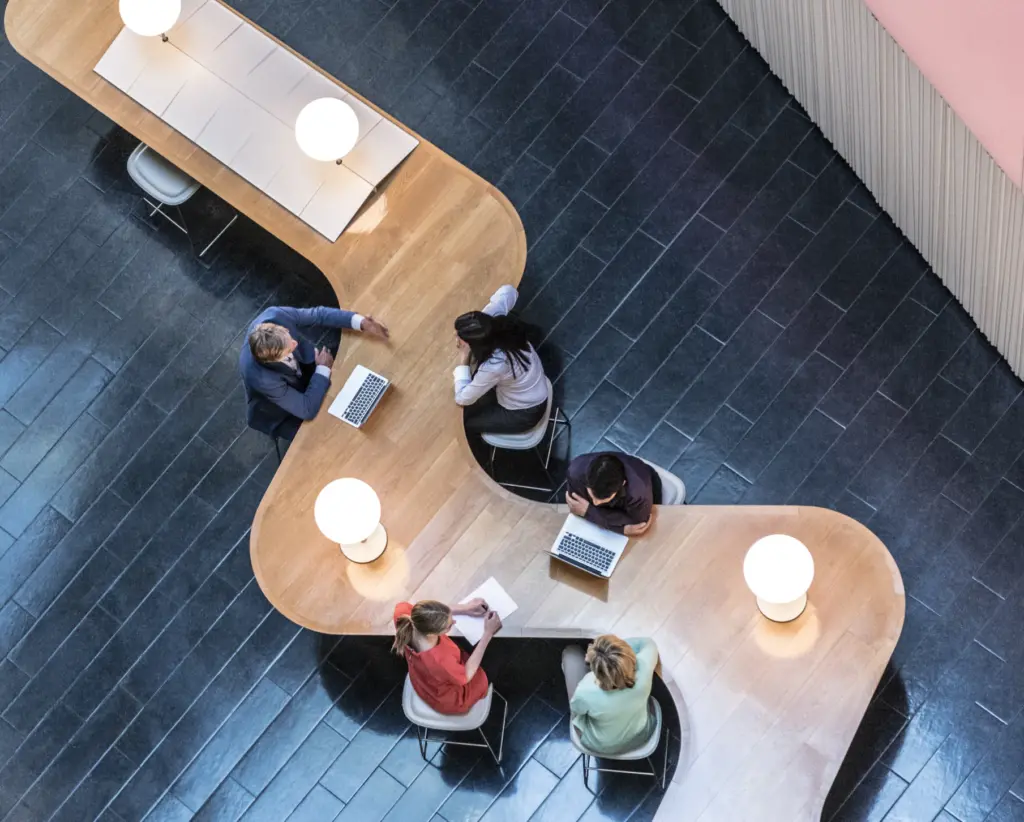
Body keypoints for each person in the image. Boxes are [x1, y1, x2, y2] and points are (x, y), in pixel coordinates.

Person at [239, 305, 389, 441]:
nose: (295, 343)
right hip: (280, 412)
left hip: (302, 371)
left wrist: (361, 322)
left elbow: (318, 315)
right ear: (275, 359)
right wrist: (323, 369)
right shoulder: (263, 378)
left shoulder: (276, 315)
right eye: (289, 348)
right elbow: (306, 409)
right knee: (327, 439)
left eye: (288, 336)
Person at [453, 284, 548, 434]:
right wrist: (480, 323)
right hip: (532, 387)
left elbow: (462, 399)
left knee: (466, 424)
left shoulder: (495, 365)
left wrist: (464, 358)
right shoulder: (497, 325)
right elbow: (509, 291)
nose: (457, 337)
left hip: (524, 412)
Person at [392, 598, 502, 715]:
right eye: (448, 626)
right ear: (432, 634)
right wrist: (488, 633)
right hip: (450, 698)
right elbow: (466, 675)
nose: (454, 622)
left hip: (425, 682)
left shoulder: (403, 614)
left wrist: (466, 608)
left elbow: (428, 613)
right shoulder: (439, 661)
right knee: (498, 653)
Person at [562, 636, 659, 755]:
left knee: (571, 654)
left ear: (596, 672)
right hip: (640, 737)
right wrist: (615, 651)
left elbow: (577, 710)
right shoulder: (644, 668)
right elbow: (648, 643)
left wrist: (603, 655)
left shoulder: (586, 689)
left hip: (600, 745)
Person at [565, 452, 661, 536]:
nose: (595, 503)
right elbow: (575, 507)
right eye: (592, 494)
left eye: (604, 498)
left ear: (622, 484)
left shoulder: (638, 495)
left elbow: (637, 523)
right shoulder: (575, 471)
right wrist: (619, 527)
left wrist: (589, 511)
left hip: (646, 485)